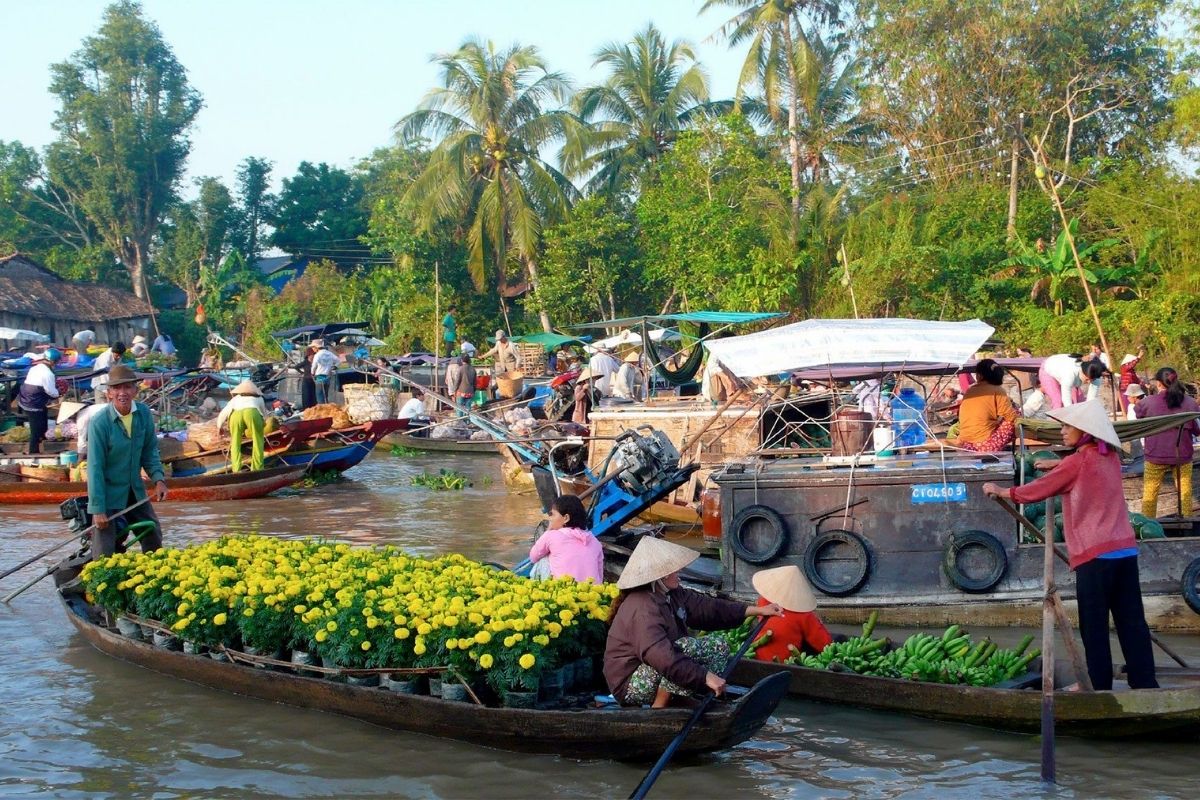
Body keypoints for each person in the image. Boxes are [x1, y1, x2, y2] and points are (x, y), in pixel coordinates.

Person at [983, 400, 1158, 691]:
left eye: (1067, 427)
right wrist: (1058, 463)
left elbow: (1040, 489)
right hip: (1125, 551)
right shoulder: (1109, 456)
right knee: (1132, 622)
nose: (1062, 431)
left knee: (1094, 626)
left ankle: (1098, 685)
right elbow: (1079, 467)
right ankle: (1146, 684)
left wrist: (1003, 491)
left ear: (1085, 431)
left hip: (1095, 555)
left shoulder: (1078, 463)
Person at [603, 536, 783, 708]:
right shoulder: (642, 607)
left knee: (719, 646)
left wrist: (756, 610)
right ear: (662, 575)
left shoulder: (672, 594)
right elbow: (661, 656)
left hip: (658, 668)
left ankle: (678, 696)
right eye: (674, 569)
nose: (678, 572)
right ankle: (660, 705)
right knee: (684, 646)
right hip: (630, 683)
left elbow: (709, 608)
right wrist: (705, 676)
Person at [85, 365, 168, 559]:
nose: (122, 393)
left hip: (134, 489)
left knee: (152, 533)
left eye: (127, 387)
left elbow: (149, 451)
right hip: (108, 494)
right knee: (104, 548)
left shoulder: (144, 414)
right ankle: (99, 582)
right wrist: (97, 509)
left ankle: (154, 573)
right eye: (117, 388)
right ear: (109, 393)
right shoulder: (100, 422)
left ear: (135, 390)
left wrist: (158, 479)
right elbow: (95, 467)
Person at [1135, 367, 1200, 519]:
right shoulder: (1190, 403)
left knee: (1150, 494)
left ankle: (1148, 525)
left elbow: (1138, 418)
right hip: (1182, 456)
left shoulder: (1147, 403)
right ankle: (1186, 523)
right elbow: (1197, 429)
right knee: (1185, 492)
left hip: (1155, 456)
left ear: (1158, 383)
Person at [749, 565, 833, 662]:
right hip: (786, 662)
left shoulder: (763, 601)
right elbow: (825, 645)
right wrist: (817, 621)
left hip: (757, 657)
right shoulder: (804, 615)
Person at [528, 494, 604, 583]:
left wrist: (548, 530)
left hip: (565, 592)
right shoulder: (595, 541)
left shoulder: (552, 535)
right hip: (592, 593)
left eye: (553, 515)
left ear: (566, 518)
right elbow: (600, 575)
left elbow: (533, 557)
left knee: (543, 558)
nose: (550, 519)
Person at [954, 359, 1019, 452]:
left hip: (964, 443)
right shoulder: (998, 390)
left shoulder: (970, 390)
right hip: (984, 444)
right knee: (1015, 415)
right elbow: (1010, 416)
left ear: (979, 376)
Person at [216, 380, 268, 472]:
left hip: (235, 415)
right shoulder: (259, 398)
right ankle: (257, 468)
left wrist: (219, 426)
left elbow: (224, 413)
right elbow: (264, 415)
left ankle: (236, 469)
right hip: (252, 413)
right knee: (258, 440)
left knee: (235, 442)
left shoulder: (235, 399)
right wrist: (263, 424)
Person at [18, 348, 61, 454]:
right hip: (34, 403)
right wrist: (59, 392)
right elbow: (51, 392)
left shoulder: (35, 368)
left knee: (43, 420)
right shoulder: (48, 374)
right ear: (53, 361)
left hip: (26, 399)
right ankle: (33, 452)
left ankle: (44, 442)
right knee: (36, 429)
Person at [1038, 353, 1103, 409]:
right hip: (1048, 370)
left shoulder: (1096, 378)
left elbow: (1091, 401)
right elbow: (1066, 401)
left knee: (1080, 401)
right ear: (1082, 372)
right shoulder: (1070, 375)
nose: (1089, 382)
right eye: (1087, 379)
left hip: (1065, 374)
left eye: (1092, 380)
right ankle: (1056, 422)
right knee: (1058, 402)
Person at [311, 340, 340, 405]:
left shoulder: (317, 355)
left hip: (319, 376)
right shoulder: (329, 353)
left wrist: (312, 373)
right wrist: (334, 367)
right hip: (327, 376)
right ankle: (326, 408)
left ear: (316, 347)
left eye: (313, 347)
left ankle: (322, 410)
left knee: (319, 396)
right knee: (325, 395)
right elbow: (338, 360)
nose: (312, 349)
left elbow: (314, 366)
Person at [1118, 347, 1146, 413]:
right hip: (1125, 389)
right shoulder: (1124, 367)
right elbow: (1131, 365)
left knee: (1132, 405)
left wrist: (1144, 384)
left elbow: (1136, 379)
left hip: (1131, 389)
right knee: (1127, 406)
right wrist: (1139, 357)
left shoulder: (1131, 371)